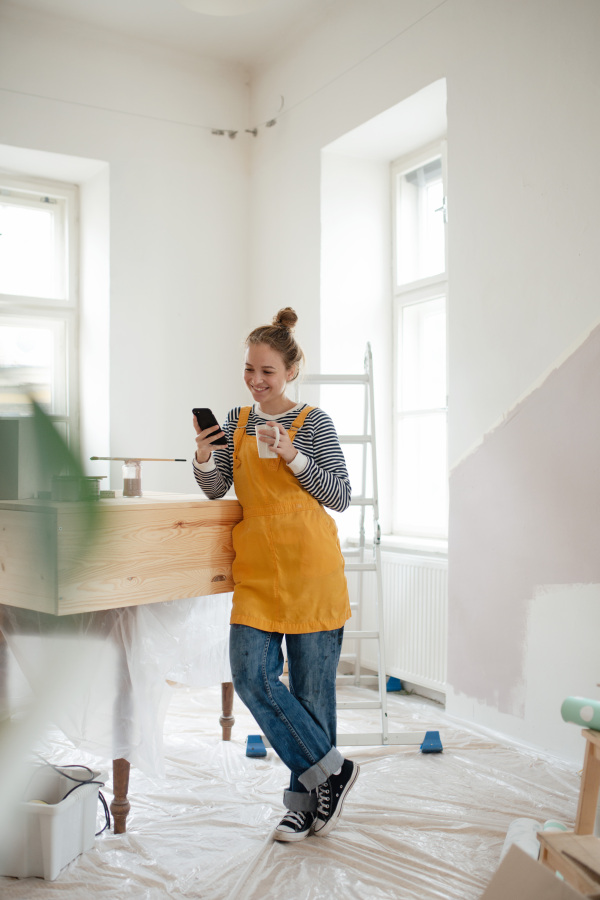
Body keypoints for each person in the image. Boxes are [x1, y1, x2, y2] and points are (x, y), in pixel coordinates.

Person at [192, 307, 359, 842]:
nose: (256, 381)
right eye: (249, 370)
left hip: (311, 570)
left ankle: (303, 805)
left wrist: (296, 458)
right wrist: (201, 456)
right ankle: (334, 770)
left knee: (312, 693)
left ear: (289, 371)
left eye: (267, 372)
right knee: (251, 676)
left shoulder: (315, 422)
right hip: (259, 572)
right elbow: (218, 488)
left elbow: (340, 496)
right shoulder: (237, 421)